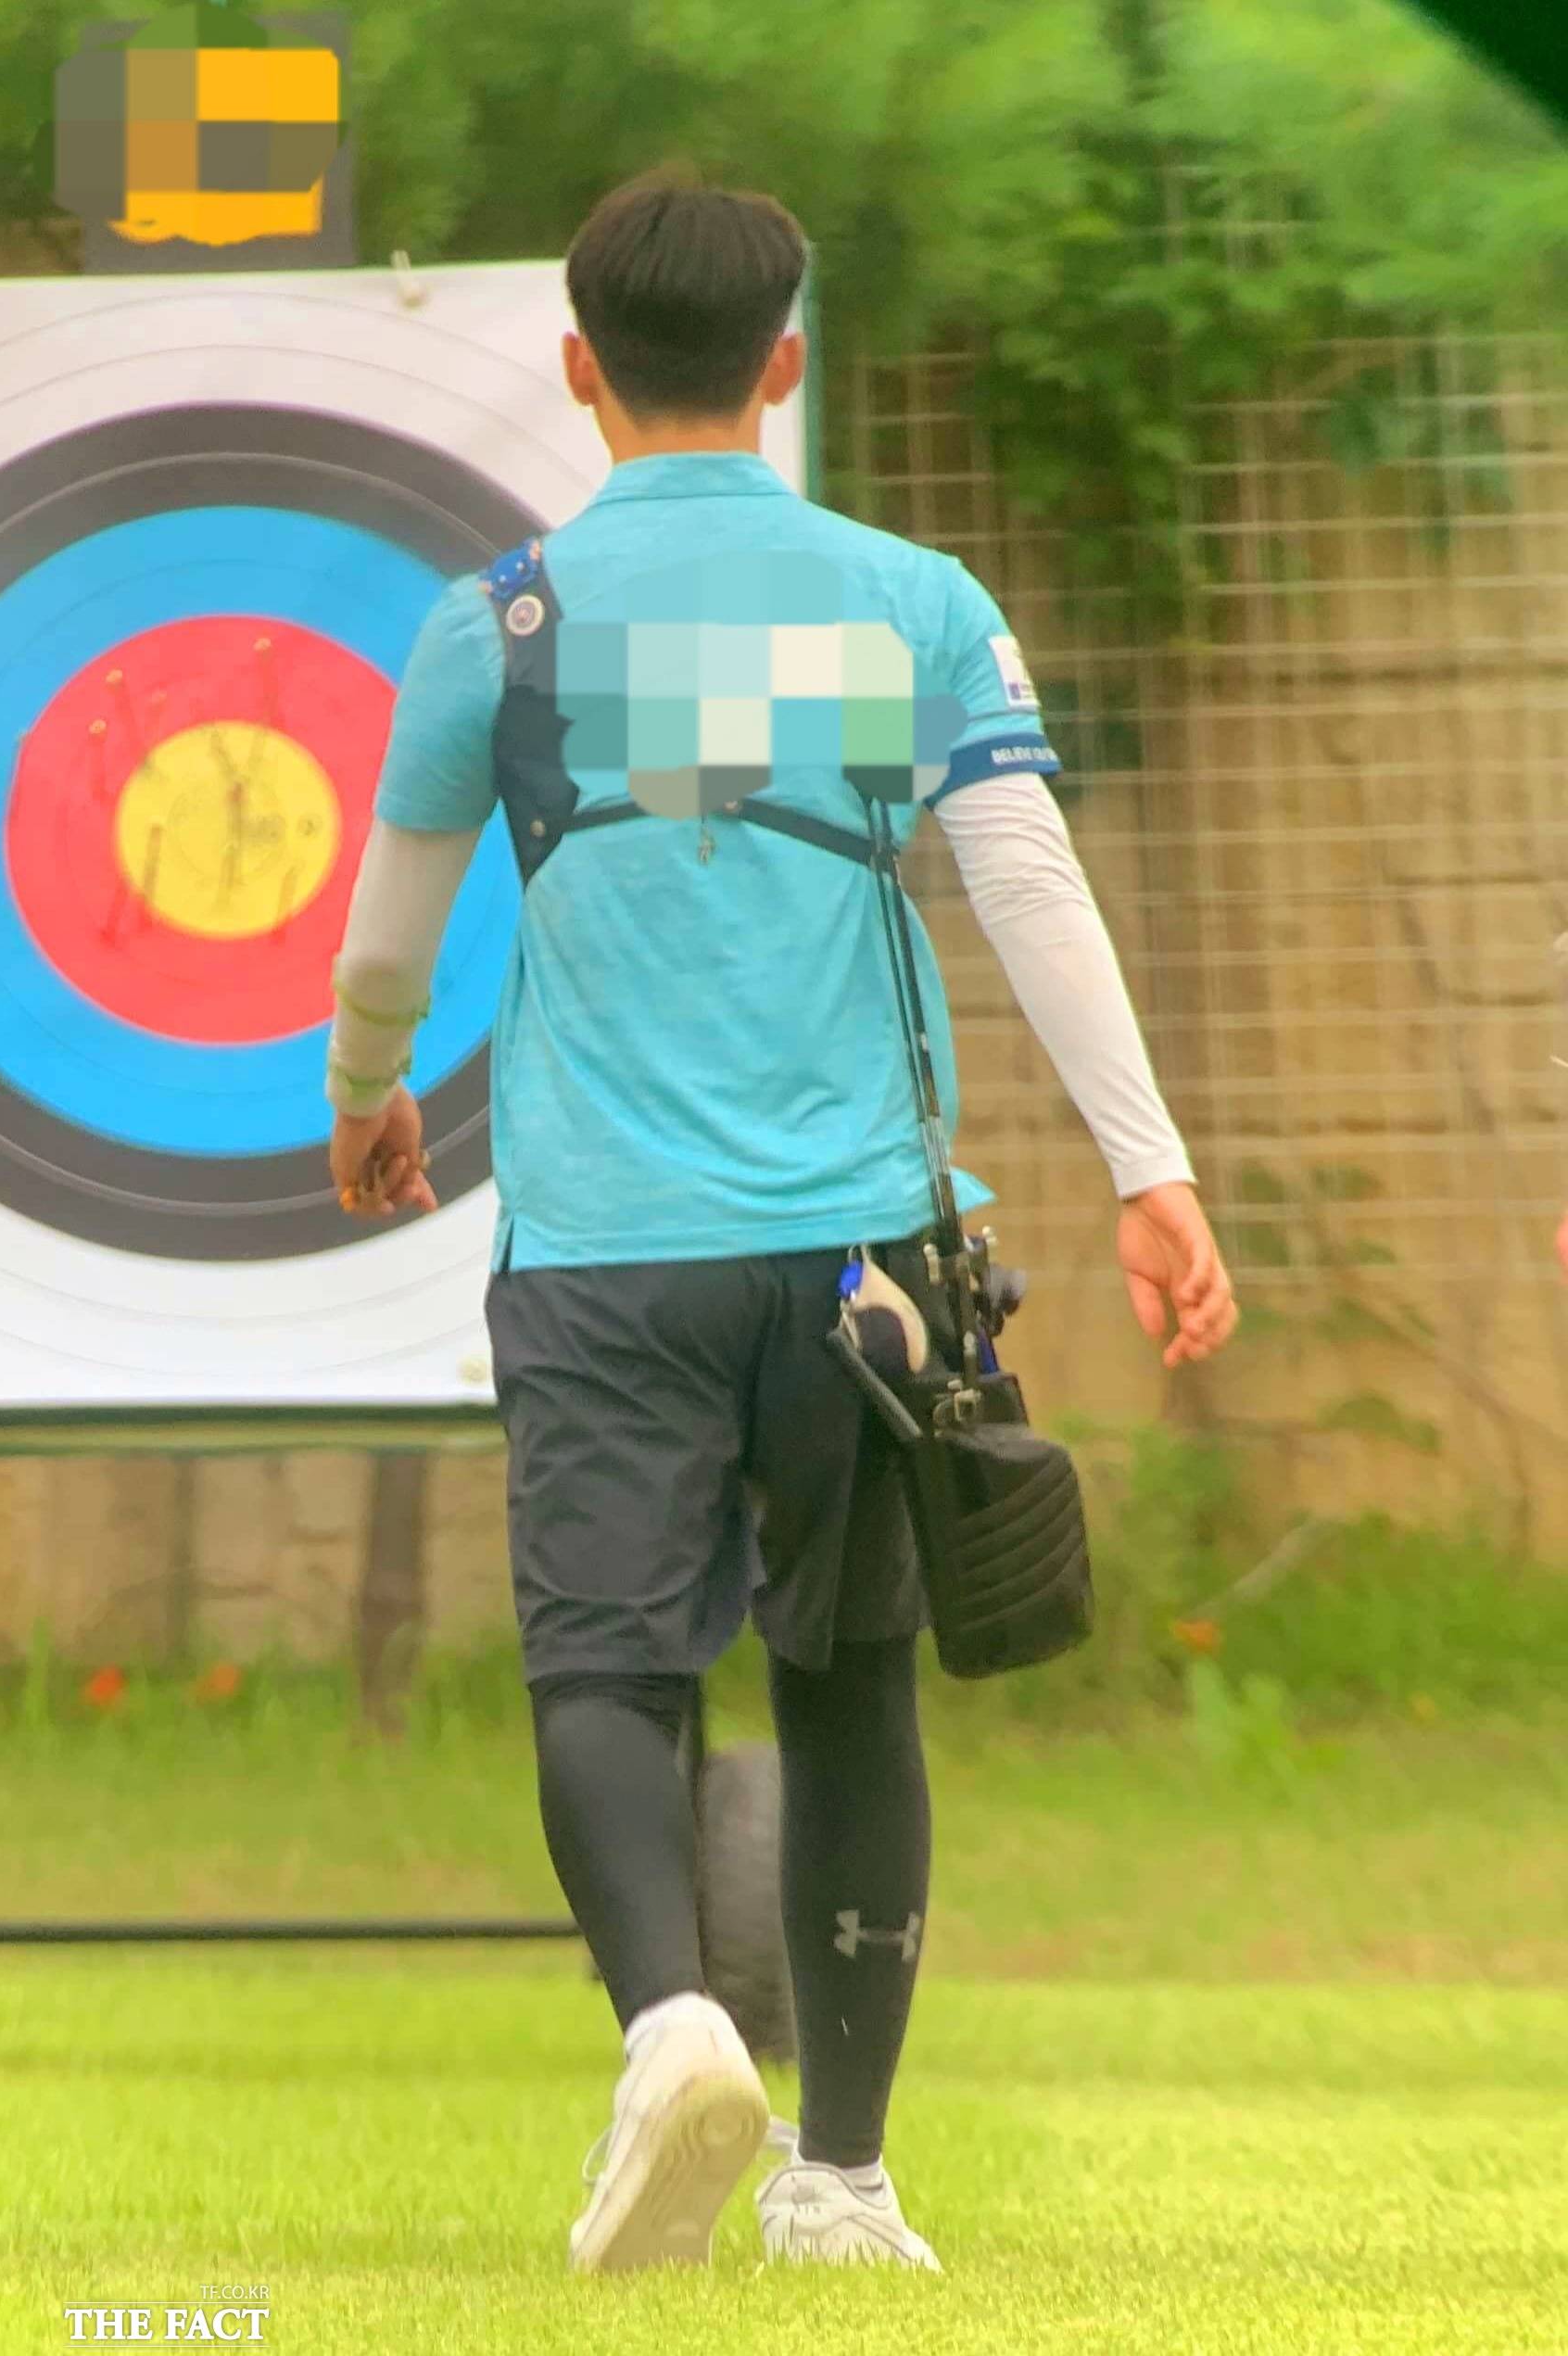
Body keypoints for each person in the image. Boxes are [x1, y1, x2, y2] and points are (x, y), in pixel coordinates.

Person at [323, 176, 1238, 2276]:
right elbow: (1031, 891)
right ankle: (840, 2177)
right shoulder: (915, 604)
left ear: (579, 366)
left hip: (603, 1246)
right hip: (866, 1260)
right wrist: (1148, 1164)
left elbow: (387, 950)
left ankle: (667, 2029)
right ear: (788, 364)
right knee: (852, 1679)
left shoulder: (502, 624)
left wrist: (360, 1101)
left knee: (603, 1664)